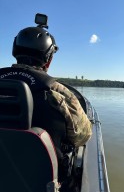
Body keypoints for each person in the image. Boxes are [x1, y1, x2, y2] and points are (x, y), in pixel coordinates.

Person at [0, 18, 92, 164]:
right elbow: (84, 136)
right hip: (40, 183)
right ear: (48, 60)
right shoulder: (60, 94)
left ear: (15, 51)